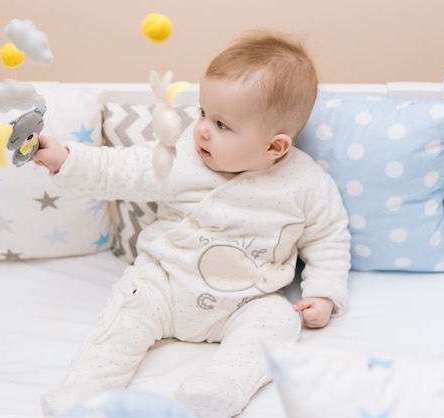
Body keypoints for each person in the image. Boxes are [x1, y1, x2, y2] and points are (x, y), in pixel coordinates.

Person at [34, 29, 351, 418]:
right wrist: (68, 159)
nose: (201, 128)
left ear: (275, 147)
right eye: (203, 112)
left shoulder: (307, 183)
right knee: (123, 320)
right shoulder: (182, 156)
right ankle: (82, 395)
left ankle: (219, 387)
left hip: (246, 299)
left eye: (222, 125)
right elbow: (122, 169)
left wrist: (324, 293)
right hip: (166, 283)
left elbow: (329, 239)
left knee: (279, 322)